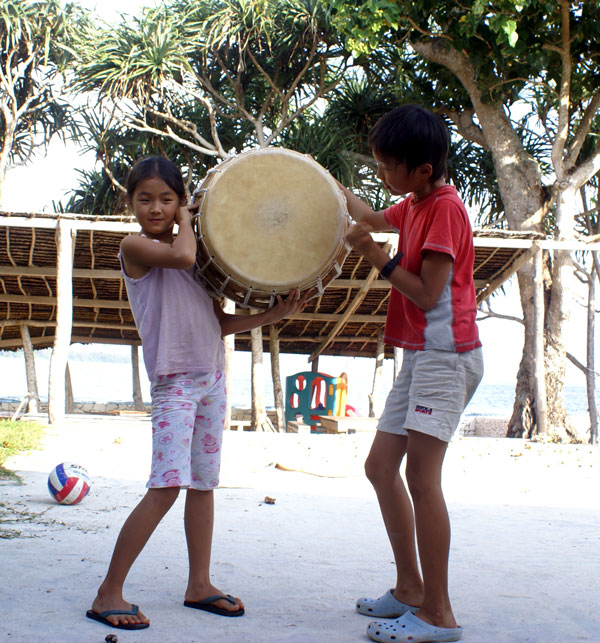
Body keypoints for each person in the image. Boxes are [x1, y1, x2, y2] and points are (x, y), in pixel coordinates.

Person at [86, 156, 306, 631]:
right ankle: (108, 593)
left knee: (203, 485)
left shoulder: (200, 261)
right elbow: (183, 255)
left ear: (179, 199)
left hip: (211, 378)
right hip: (174, 384)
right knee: (166, 486)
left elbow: (218, 322)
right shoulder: (136, 247)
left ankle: (199, 584)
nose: (156, 208)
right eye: (145, 198)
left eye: (168, 199)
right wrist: (191, 217)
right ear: (130, 203)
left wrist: (273, 316)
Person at [339, 105, 483, 643]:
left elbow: (427, 293)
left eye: (389, 166)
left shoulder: (445, 209)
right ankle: (408, 589)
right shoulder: (414, 203)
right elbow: (370, 216)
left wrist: (375, 256)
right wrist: (325, 185)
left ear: (423, 169)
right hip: (422, 355)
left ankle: (438, 615)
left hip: (447, 356)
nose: (382, 176)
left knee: (423, 480)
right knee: (381, 467)